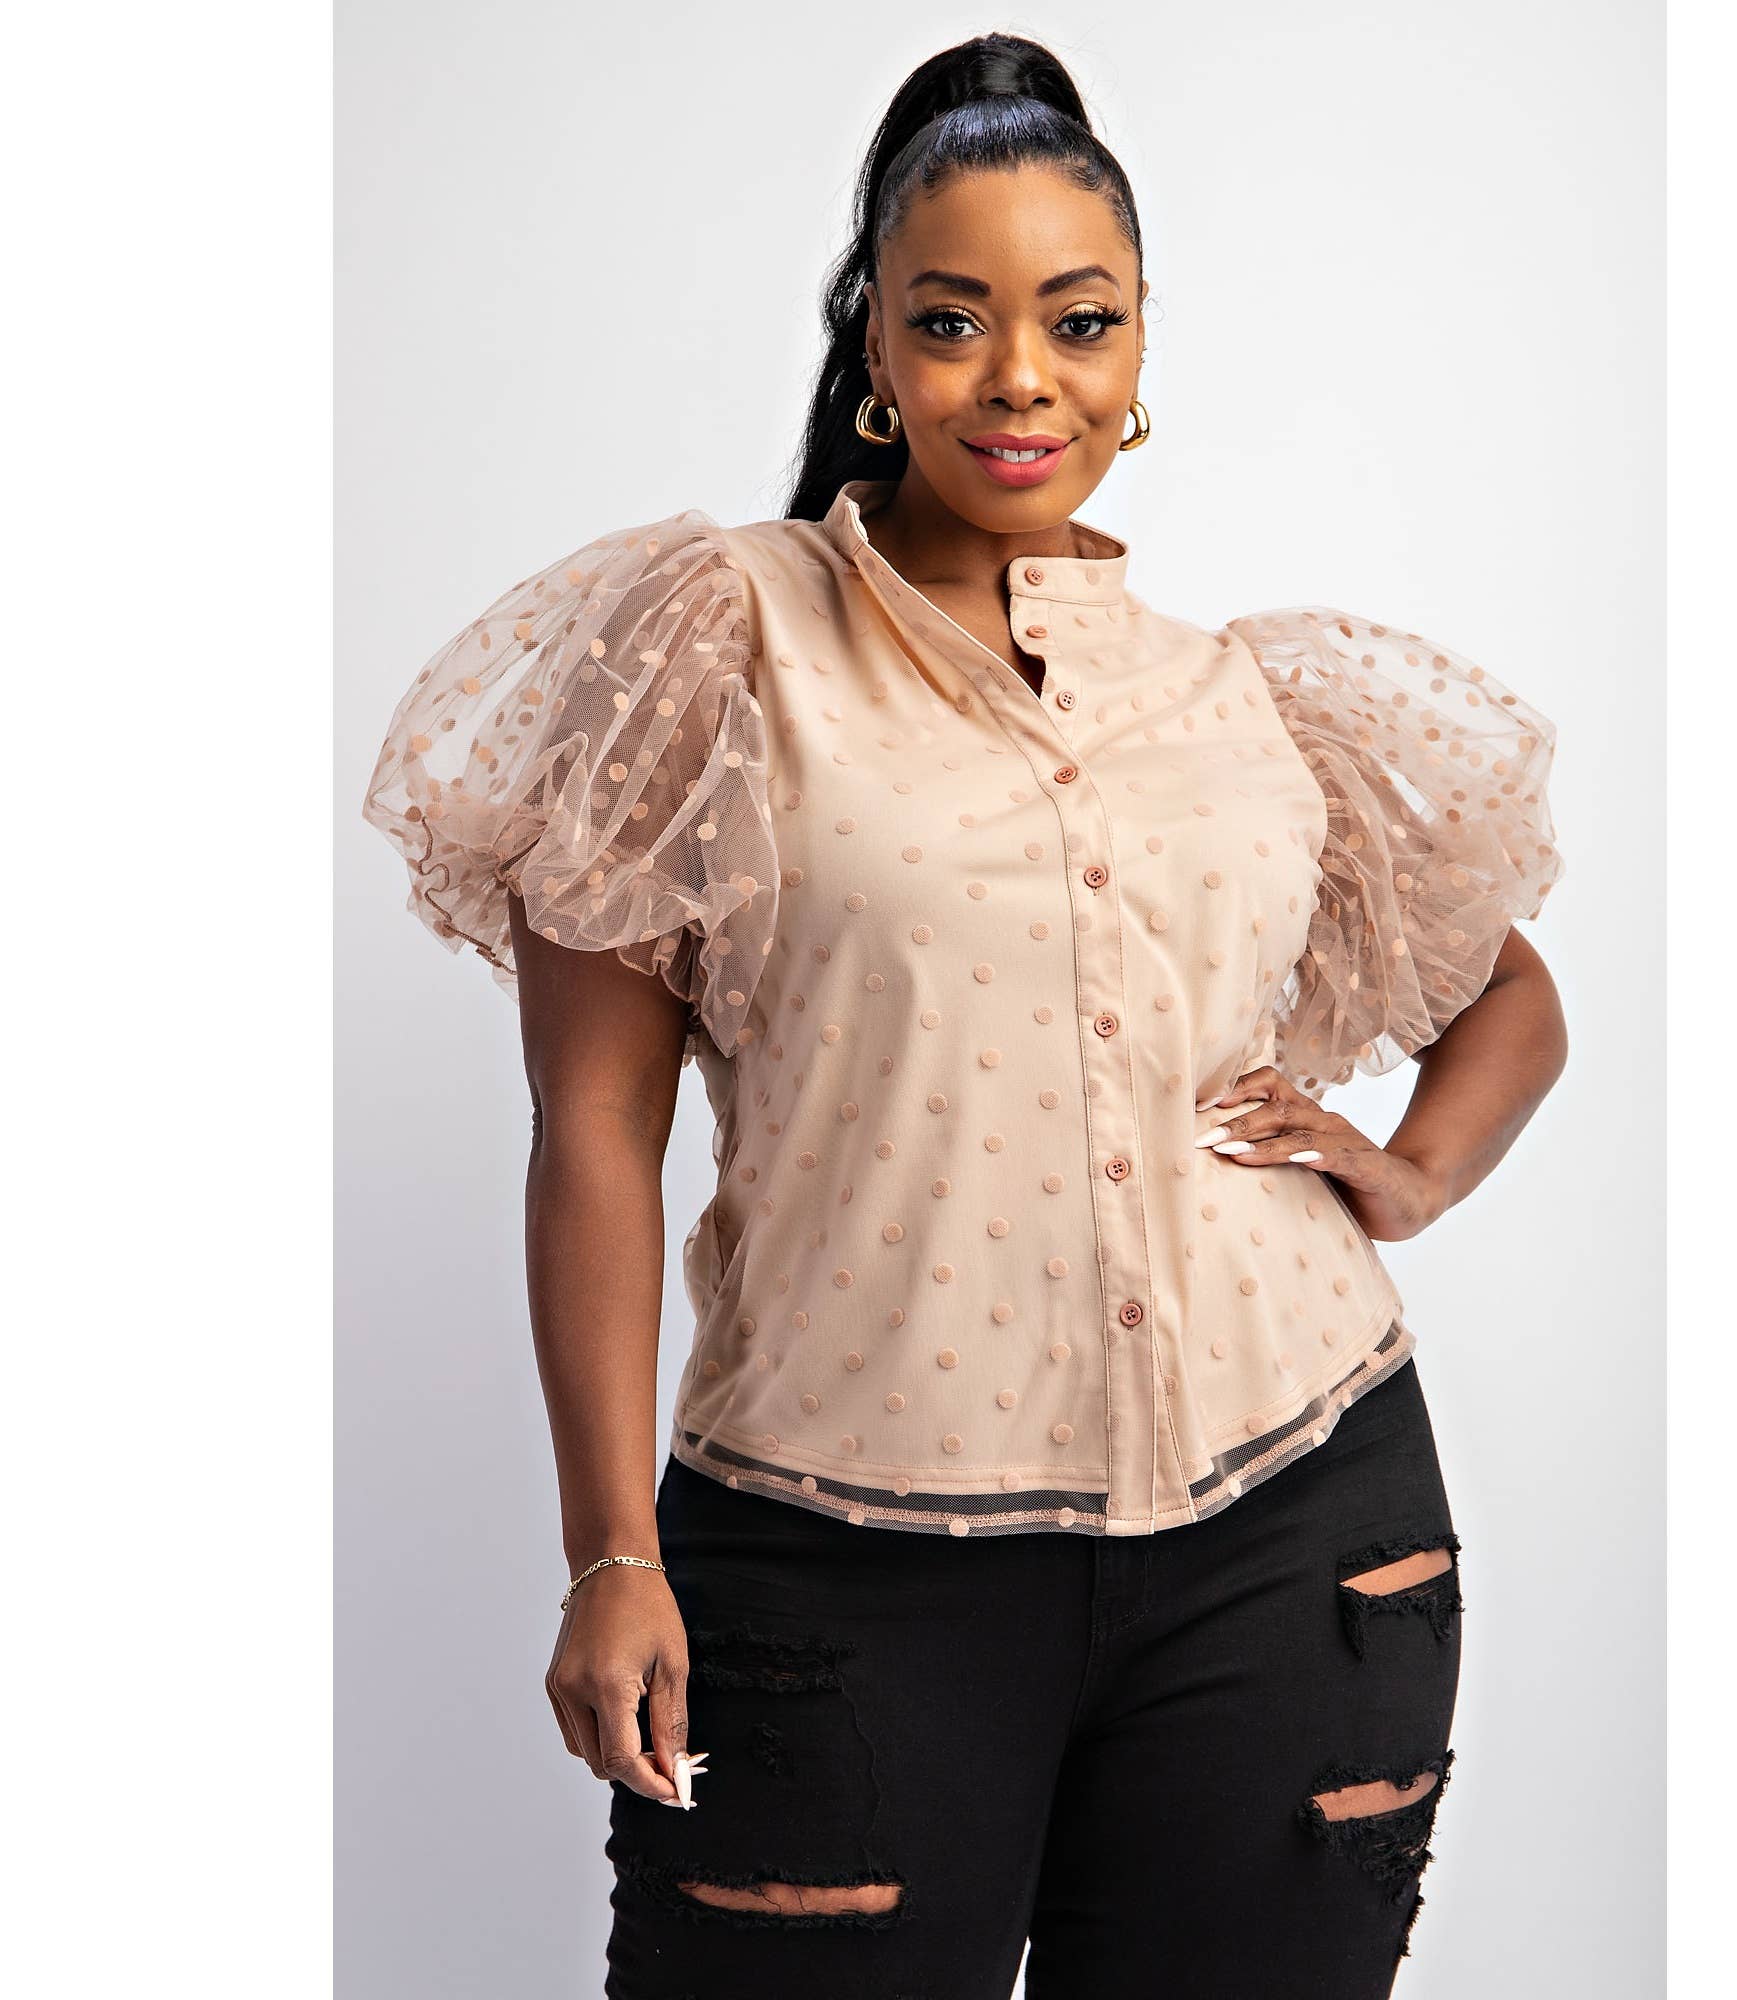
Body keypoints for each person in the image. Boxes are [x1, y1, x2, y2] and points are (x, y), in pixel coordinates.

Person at [361, 31, 1567, 1998]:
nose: (1022, 377)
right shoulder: (718, 646)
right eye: (954, 320)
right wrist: (609, 1550)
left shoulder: (1244, 703)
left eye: (1079, 322)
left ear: (1139, 346)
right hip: (842, 1563)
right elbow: (593, 1131)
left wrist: (1409, 1171)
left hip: (1298, 1525)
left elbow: (1509, 992)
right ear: (876, 346)